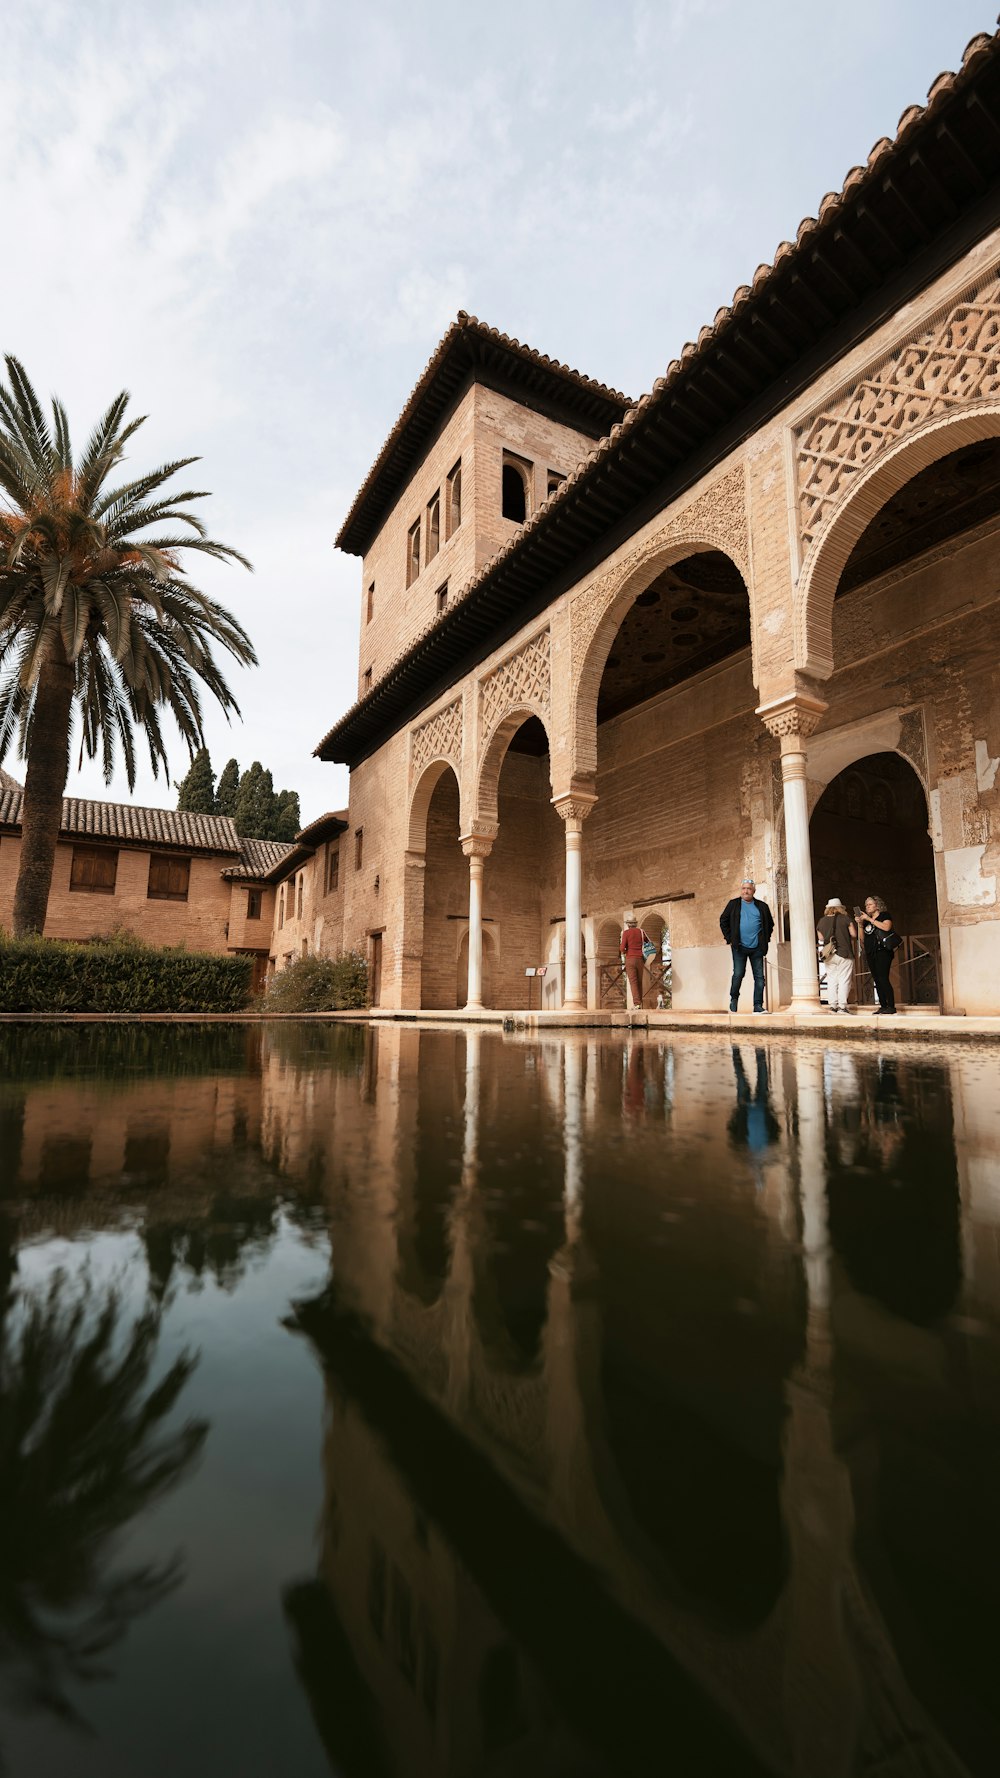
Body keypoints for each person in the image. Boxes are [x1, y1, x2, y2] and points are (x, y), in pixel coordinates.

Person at [719, 878, 774, 1013]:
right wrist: (730, 938)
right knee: (738, 974)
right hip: (739, 947)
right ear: (741, 890)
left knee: (759, 978)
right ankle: (734, 998)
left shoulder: (762, 906)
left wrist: (765, 939)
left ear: (754, 891)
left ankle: (757, 1005)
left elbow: (770, 924)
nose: (746, 891)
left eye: (749, 889)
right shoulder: (733, 904)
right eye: (744, 888)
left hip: (757, 948)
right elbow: (723, 920)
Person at [817, 895, 857, 1013]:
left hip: (829, 955)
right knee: (844, 979)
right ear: (840, 908)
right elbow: (854, 934)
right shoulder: (846, 919)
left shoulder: (821, 921)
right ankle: (842, 1006)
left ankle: (833, 1005)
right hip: (844, 952)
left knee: (832, 979)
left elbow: (820, 938)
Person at [860, 894, 897, 1015]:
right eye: (866, 905)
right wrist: (860, 924)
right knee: (876, 979)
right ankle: (883, 1005)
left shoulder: (884, 915)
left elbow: (886, 927)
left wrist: (870, 919)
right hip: (871, 952)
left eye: (870, 904)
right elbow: (862, 938)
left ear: (877, 905)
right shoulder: (866, 921)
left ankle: (891, 1006)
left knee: (883, 978)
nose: (867, 907)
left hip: (883, 951)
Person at [619, 916, 648, 1009]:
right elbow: (647, 942)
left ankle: (636, 1003)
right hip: (640, 959)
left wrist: (626, 951)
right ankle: (640, 1003)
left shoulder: (626, 933)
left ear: (628, 924)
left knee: (633, 982)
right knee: (639, 981)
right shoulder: (641, 932)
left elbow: (622, 948)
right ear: (636, 923)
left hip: (630, 959)